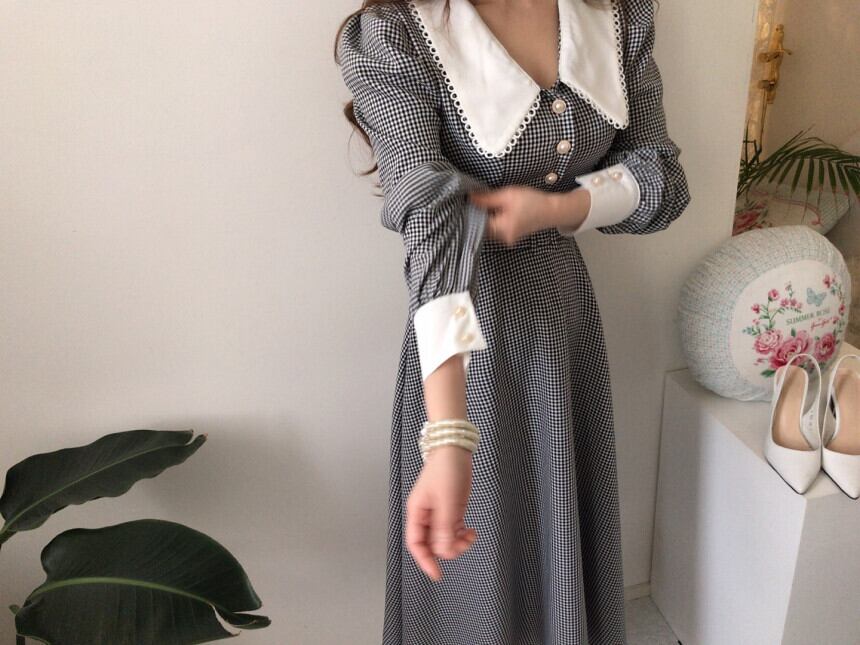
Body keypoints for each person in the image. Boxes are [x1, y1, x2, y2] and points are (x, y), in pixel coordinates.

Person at [335, 0, 691, 642]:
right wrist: (448, 435)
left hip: (564, 315)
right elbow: (431, 219)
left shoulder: (617, 16)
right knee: (477, 566)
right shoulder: (397, 31)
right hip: (463, 342)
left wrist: (555, 210)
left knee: (557, 540)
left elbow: (662, 179)